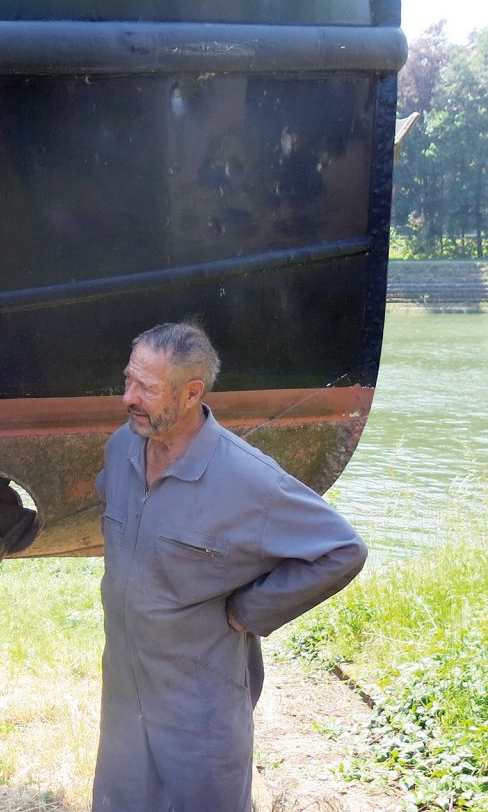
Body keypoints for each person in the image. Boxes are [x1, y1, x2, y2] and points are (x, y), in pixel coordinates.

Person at [93, 322, 367, 812]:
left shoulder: (249, 480)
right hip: (123, 692)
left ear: (192, 392)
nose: (128, 397)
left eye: (147, 388)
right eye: (128, 380)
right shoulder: (122, 448)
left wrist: (251, 611)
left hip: (198, 708)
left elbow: (342, 549)